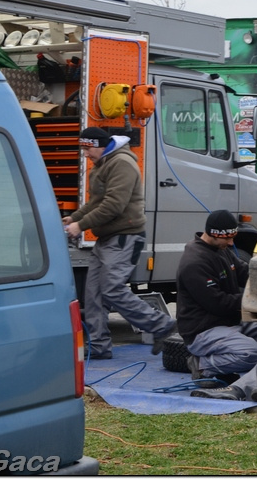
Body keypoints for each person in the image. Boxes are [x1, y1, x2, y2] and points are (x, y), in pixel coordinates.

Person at [63, 127, 176, 359]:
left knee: (112, 289)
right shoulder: (104, 164)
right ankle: (99, 347)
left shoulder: (121, 163)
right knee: (93, 294)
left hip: (124, 237)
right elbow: (96, 202)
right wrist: (74, 218)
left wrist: (80, 226)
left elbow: (114, 204)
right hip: (107, 238)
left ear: (100, 145)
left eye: (87, 149)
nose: (85, 155)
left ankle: (161, 325)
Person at [176, 210, 257, 379]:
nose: (232, 242)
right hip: (203, 330)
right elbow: (218, 304)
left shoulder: (221, 249)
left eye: (233, 237)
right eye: (227, 238)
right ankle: (202, 366)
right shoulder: (194, 262)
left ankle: (248, 370)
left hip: (230, 322)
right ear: (213, 234)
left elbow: (245, 273)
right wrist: (256, 301)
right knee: (253, 353)